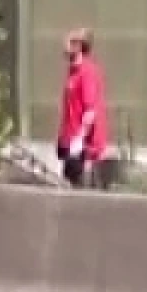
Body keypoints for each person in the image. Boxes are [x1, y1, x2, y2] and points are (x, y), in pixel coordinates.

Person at [56, 28, 108, 188]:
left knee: (77, 191)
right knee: (67, 187)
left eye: (69, 42)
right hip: (70, 145)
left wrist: (79, 139)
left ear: (79, 46)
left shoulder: (87, 72)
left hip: (83, 149)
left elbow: (90, 111)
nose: (64, 46)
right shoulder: (73, 71)